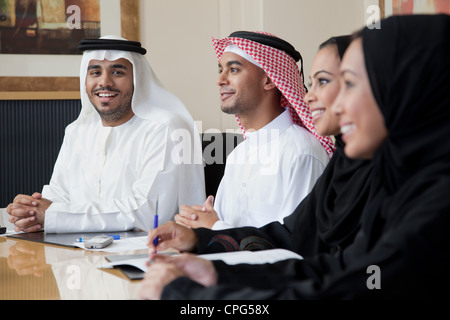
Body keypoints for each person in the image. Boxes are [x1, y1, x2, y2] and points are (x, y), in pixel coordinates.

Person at [141, 14, 450, 299]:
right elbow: (310, 251)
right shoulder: (393, 181)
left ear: (407, 89)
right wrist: (212, 263)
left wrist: (186, 297)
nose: (336, 104)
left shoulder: (436, 202)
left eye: (350, 84)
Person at [6, 36, 205, 233]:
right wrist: (31, 212)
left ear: (138, 79)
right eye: (95, 72)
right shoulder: (77, 131)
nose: (105, 82)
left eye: (117, 72)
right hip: (76, 253)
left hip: (147, 256)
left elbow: (146, 212)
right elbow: (58, 195)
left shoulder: (165, 128)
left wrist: (54, 215)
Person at [174, 31, 333, 230]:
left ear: (269, 80)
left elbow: (297, 246)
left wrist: (215, 228)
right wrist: (200, 224)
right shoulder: (237, 155)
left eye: (233, 70)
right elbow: (222, 228)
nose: (220, 80)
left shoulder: (302, 152)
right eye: (221, 70)